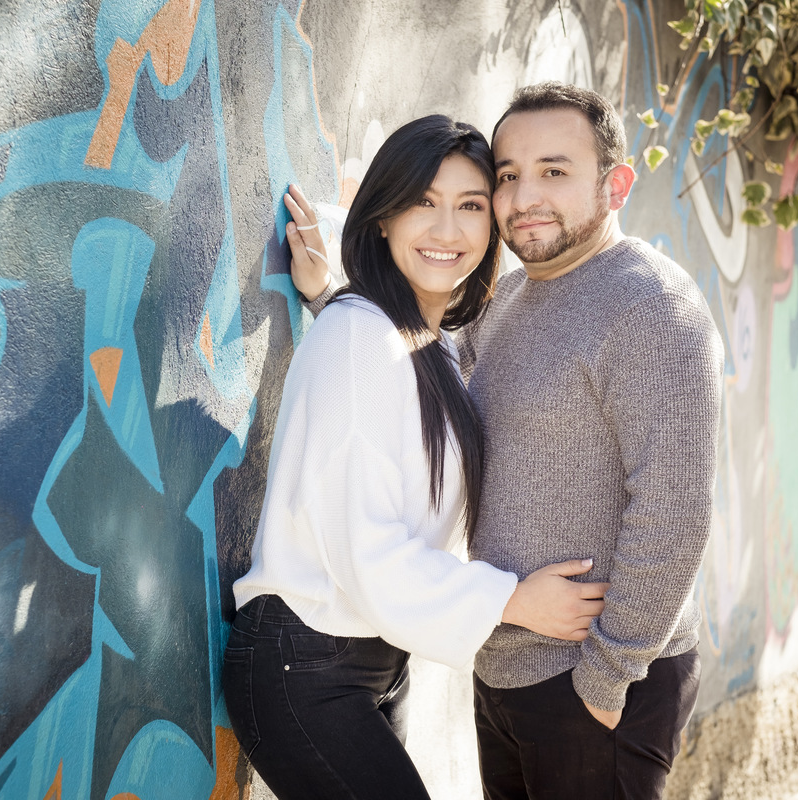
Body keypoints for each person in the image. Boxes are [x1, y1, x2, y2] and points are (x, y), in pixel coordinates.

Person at [290, 84, 724, 800]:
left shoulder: (651, 306)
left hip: (596, 679)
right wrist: (329, 290)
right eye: (510, 175)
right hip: (507, 669)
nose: (525, 197)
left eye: (555, 171)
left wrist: (609, 675)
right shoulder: (510, 302)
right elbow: (416, 363)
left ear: (614, 184)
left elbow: (675, 512)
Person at [223, 114, 609, 800]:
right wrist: (514, 600)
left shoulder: (413, 340)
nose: (447, 231)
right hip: (304, 667)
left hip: (368, 657)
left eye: (469, 207)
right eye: (423, 204)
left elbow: (384, 383)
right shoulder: (359, 339)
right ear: (383, 218)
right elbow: (367, 547)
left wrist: (323, 293)